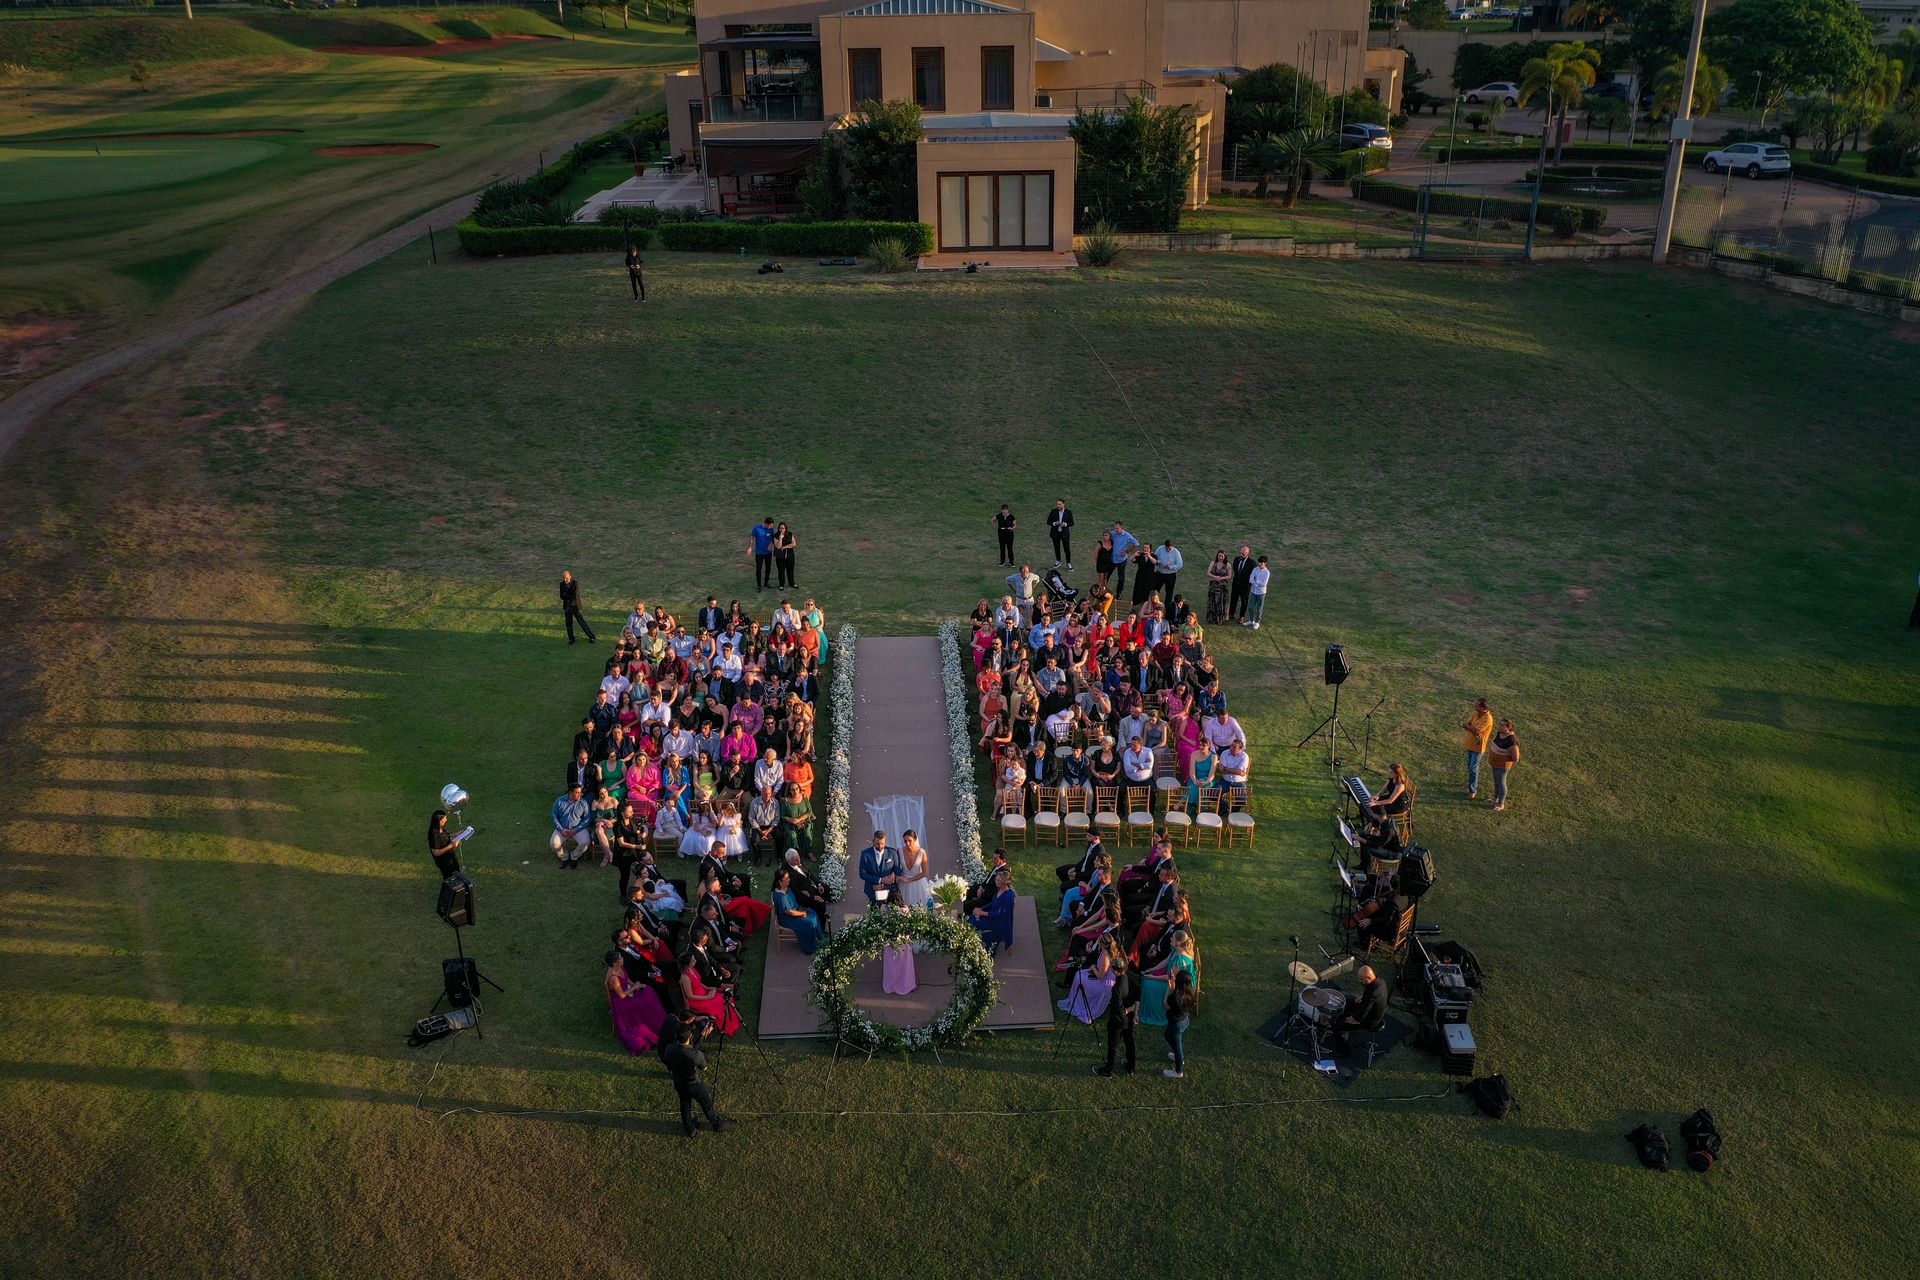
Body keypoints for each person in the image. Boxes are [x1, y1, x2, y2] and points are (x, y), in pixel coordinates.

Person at [661, 1022, 729, 1137]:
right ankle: (718, 1124)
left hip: (679, 1083)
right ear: (690, 1036)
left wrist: (702, 1035)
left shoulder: (669, 1049)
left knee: (685, 1104)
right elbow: (704, 1068)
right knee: (706, 1105)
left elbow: (670, 1059)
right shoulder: (696, 1054)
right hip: (694, 1084)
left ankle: (690, 1129)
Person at [607, 949, 668, 1054]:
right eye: (620, 959)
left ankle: (660, 1021)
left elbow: (627, 979)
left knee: (649, 991)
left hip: (629, 991)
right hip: (623, 1002)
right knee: (641, 1003)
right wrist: (635, 987)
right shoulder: (613, 978)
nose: (623, 959)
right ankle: (650, 1027)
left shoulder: (620, 966)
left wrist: (637, 985)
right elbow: (621, 995)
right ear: (614, 963)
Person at [1094, 944, 1140, 1077]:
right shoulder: (1131, 976)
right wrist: (1134, 1011)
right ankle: (1131, 1067)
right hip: (1130, 1018)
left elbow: (1118, 1008)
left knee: (1113, 1045)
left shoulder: (1117, 989)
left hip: (1118, 1021)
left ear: (1114, 971)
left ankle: (1108, 1071)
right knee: (1129, 1041)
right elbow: (1138, 995)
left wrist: (1128, 1010)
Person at [1139, 928, 1196, 1028]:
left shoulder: (1180, 960)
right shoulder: (1175, 949)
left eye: (1173, 938)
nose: (1171, 939)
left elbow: (1170, 978)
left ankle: (1152, 1012)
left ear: (1178, 942)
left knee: (1148, 983)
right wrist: (1152, 969)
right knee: (1146, 977)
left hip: (1178, 986)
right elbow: (1165, 962)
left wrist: (1153, 977)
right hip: (1171, 977)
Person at [1059, 934, 1119, 1023]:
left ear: (1102, 943)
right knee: (1079, 974)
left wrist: (1093, 967)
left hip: (1104, 982)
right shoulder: (1104, 950)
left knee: (1079, 977)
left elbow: (1100, 976)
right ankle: (1077, 999)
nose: (1097, 940)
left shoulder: (1106, 957)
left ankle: (1081, 1003)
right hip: (1100, 974)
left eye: (1099, 939)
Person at [1335, 964, 1388, 1055]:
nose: (1359, 981)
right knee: (1347, 1001)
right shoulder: (1379, 981)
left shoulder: (1372, 993)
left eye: (1361, 979)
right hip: (1371, 1009)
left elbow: (1365, 1010)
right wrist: (1363, 996)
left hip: (1370, 1020)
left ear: (1368, 977)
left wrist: (1355, 1019)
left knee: (1339, 1027)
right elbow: (1369, 999)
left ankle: (1344, 1051)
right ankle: (1342, 1017)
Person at [771, 867, 823, 953]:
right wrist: (802, 914)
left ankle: (818, 937)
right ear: (780, 882)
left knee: (813, 913)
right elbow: (789, 912)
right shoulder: (781, 897)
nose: (789, 879)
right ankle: (810, 946)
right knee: (809, 922)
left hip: (796, 911)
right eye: (786, 878)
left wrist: (802, 892)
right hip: (788, 919)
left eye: (788, 877)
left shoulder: (786, 888)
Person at [1367, 763, 1417, 846]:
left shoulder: (1400, 785)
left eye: (1391, 772)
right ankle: (1374, 825)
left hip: (1399, 805)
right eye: (1389, 772)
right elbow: (1384, 788)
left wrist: (1376, 803)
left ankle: (1377, 828)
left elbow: (1390, 800)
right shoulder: (1392, 778)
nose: (1389, 774)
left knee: (1377, 808)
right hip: (1393, 799)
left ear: (1397, 774)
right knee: (1372, 801)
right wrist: (1377, 795)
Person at [1162, 966, 1198, 1079]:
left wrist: (1169, 987)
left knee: (1178, 1046)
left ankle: (1178, 1070)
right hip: (1184, 1019)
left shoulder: (1174, 997)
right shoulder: (1190, 993)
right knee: (1167, 1035)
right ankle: (1178, 1057)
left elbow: (1166, 1005)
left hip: (1176, 1024)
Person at [551, 784, 591, 867]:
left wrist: (576, 830)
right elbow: (554, 817)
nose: (580, 794)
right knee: (554, 843)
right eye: (577, 792)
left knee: (585, 842)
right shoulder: (559, 801)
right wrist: (561, 829)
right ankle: (564, 857)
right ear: (571, 792)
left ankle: (574, 856)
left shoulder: (583, 803)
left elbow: (587, 819)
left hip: (577, 829)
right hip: (563, 828)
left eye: (580, 792)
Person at [1463, 697, 1495, 799]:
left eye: (1477, 705)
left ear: (1482, 708)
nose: (1474, 706)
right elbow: (1465, 724)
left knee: (1473, 769)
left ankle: (1473, 790)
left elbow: (1477, 731)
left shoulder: (1488, 719)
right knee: (1469, 765)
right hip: (1470, 744)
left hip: (1478, 747)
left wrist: (1470, 727)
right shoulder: (1476, 714)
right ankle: (1470, 783)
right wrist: (1471, 727)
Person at [859, 829, 902, 903]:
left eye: (882, 843)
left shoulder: (893, 852)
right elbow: (862, 874)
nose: (880, 846)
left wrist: (894, 874)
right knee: (874, 913)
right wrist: (879, 880)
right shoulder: (865, 854)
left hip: (890, 892)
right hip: (872, 890)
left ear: (885, 841)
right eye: (877, 844)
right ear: (873, 841)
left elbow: (898, 870)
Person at [1488, 717, 1521, 812]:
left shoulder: (1512, 740)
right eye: (1500, 724)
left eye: (1503, 726)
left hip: (1503, 765)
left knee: (1501, 782)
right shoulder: (1500, 733)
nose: (1500, 727)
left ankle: (1500, 804)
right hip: (1495, 763)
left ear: (1509, 728)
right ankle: (1495, 798)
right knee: (1496, 780)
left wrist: (1503, 757)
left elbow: (1516, 758)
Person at [895, 829, 931, 909]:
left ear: (915, 840)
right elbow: (895, 868)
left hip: (918, 883)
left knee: (920, 907)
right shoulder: (899, 851)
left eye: (910, 841)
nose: (907, 843)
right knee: (903, 907)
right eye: (905, 841)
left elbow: (925, 872)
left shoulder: (922, 852)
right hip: (903, 884)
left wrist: (910, 880)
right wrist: (898, 877)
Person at [559, 570, 595, 644]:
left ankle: (592, 637)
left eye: (566, 578)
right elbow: (562, 596)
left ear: (570, 576)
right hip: (567, 606)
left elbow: (575, 596)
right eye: (563, 578)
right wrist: (568, 595)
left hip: (575, 606)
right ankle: (571, 639)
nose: (565, 580)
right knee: (568, 624)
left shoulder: (575, 583)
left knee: (582, 622)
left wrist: (566, 595)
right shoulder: (561, 584)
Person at [427, 809, 466, 878]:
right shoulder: (433, 835)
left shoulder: (440, 828)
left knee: (457, 872)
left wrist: (456, 834)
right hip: (445, 862)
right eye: (444, 819)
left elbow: (445, 836)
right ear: (438, 821)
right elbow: (436, 852)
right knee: (450, 877)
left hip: (450, 856)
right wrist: (451, 845)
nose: (446, 820)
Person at [1228, 545, 1255, 622]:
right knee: (1233, 599)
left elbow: (1252, 575)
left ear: (1247, 554)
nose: (1241, 555)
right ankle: (1231, 613)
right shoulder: (1236, 559)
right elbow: (1235, 569)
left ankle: (1241, 616)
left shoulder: (1252, 563)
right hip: (1236, 584)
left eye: (1243, 554)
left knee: (1244, 601)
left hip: (1245, 586)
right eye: (1240, 553)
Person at [1243, 555, 1270, 630]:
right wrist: (1256, 583)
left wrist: (1255, 582)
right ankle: (1252, 620)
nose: (1260, 564)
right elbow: (1250, 579)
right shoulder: (1255, 569)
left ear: (1265, 563)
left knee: (1259, 608)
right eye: (1259, 562)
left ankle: (1257, 622)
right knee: (1251, 607)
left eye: (1261, 563)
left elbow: (1263, 584)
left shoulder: (1267, 572)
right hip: (1253, 591)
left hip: (1261, 593)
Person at [749, 515, 776, 591]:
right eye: (770, 525)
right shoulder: (757, 528)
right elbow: (752, 538)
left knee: (768, 568)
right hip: (759, 553)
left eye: (772, 526)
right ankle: (759, 585)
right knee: (759, 569)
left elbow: (772, 538)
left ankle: (766, 583)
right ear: (766, 523)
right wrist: (750, 547)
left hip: (768, 553)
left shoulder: (771, 530)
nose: (771, 527)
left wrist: (771, 544)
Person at [1205, 550, 1231, 624]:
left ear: (1225, 557)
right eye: (1219, 556)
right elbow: (1208, 573)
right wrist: (1215, 577)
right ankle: (1212, 618)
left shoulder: (1228, 565)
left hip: (1223, 586)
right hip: (1213, 585)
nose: (1220, 557)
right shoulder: (1213, 563)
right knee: (1213, 600)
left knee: (1221, 601)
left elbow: (1229, 576)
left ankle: (1220, 618)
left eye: (1222, 556)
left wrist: (1221, 578)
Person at [1048, 498, 1075, 569]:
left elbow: (1072, 523)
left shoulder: (1068, 512)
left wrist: (1065, 524)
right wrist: (1054, 523)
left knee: (1067, 549)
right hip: (1055, 533)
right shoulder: (1053, 511)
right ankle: (1058, 561)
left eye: (1060, 504)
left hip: (1064, 534)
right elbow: (1048, 521)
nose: (1058, 506)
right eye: (1057, 504)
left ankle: (1068, 563)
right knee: (1056, 548)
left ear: (1064, 504)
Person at [773, 521, 797, 589]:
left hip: (790, 556)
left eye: (783, 528)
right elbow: (778, 546)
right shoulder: (775, 536)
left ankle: (792, 583)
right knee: (781, 571)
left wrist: (785, 547)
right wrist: (780, 537)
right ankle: (781, 585)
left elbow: (794, 544)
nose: (781, 530)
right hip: (780, 557)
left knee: (790, 570)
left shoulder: (790, 534)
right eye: (780, 528)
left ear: (786, 528)